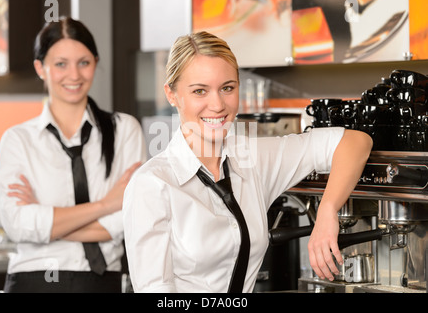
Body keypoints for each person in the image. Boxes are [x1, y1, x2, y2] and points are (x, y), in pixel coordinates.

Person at [122, 31, 373, 293]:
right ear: (172, 95)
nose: (217, 104)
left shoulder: (252, 159)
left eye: (227, 88)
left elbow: (355, 143)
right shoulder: (152, 185)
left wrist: (327, 212)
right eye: (200, 91)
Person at [0, 17, 146, 293]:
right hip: (32, 281)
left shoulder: (125, 130)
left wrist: (47, 222)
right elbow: (18, 226)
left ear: (96, 63)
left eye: (84, 63)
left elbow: (129, 220)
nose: (74, 75)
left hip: (101, 282)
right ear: (41, 68)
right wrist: (104, 205)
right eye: (61, 64)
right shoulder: (18, 140)